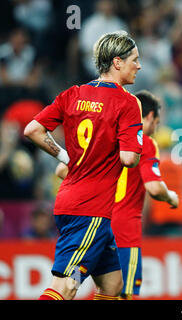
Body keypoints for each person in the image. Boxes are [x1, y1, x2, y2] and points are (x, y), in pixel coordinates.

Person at [23, 31, 143, 300]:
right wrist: (137, 143)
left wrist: (66, 158)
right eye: (134, 59)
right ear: (117, 62)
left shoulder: (73, 94)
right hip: (91, 213)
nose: (139, 65)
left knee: (111, 283)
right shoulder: (126, 103)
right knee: (66, 286)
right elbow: (129, 158)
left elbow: (33, 130)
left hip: (73, 204)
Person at [110, 90, 179, 299]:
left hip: (93, 227)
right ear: (150, 117)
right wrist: (171, 197)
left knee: (72, 281)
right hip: (124, 235)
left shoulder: (107, 136)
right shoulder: (146, 143)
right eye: (156, 124)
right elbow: (154, 188)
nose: (154, 129)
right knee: (125, 293)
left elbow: (63, 170)